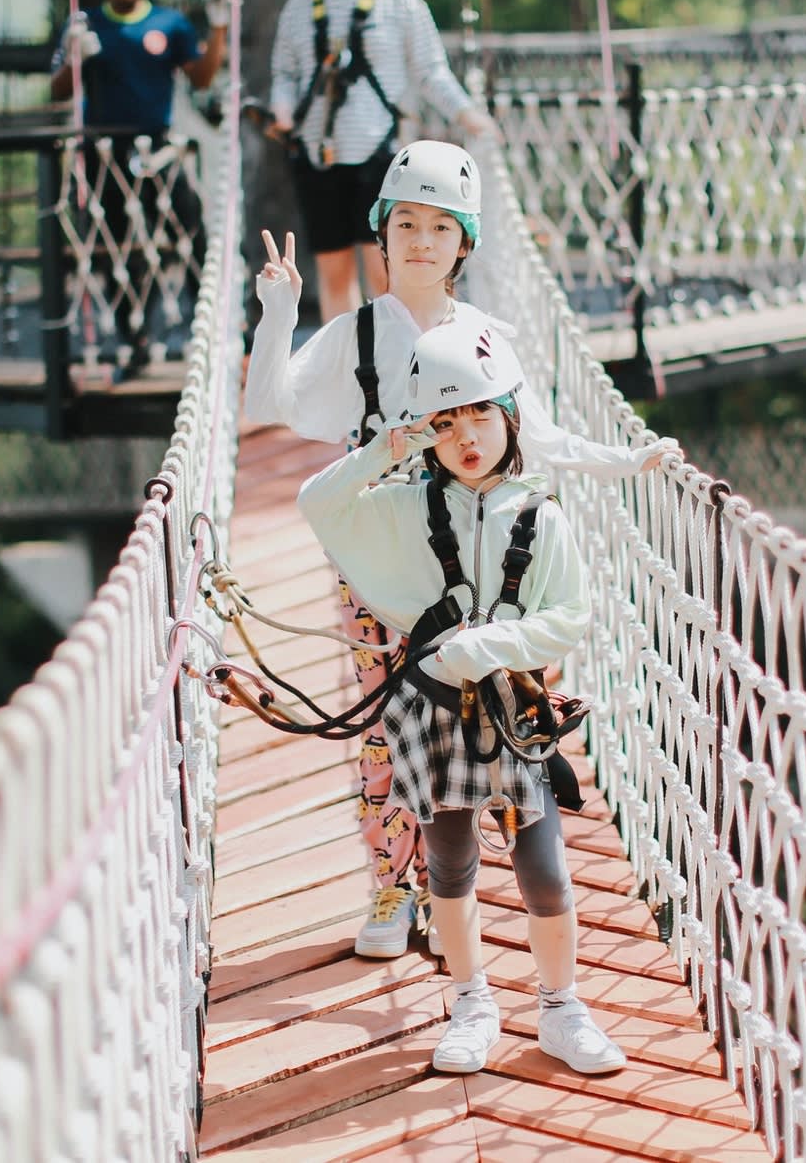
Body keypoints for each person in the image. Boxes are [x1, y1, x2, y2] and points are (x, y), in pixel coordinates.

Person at [243, 140, 674, 961]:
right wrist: (277, 311)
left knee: (479, 712)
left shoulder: (485, 335)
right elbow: (270, 403)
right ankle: (393, 888)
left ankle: (459, 898)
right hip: (383, 549)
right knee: (383, 721)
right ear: (381, 232)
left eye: (441, 226)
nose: (421, 240)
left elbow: (539, 437)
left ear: (464, 242)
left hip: (477, 554)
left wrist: (628, 460)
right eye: (405, 222)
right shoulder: (354, 335)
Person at [295, 319, 629, 1076]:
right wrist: (387, 449)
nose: (466, 436)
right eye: (445, 422)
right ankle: (472, 1002)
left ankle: (561, 1007)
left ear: (510, 416)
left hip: (511, 711)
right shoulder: (407, 507)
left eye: (481, 413)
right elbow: (318, 503)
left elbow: (569, 616)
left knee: (543, 866)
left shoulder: (540, 516)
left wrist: (492, 645)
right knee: (448, 863)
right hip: (435, 710)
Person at [267, 0, 496, 324]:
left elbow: (430, 71)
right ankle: (349, 357)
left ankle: (395, 354)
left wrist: (469, 116)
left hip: (379, 157)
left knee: (384, 270)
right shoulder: (298, 9)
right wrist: (281, 110)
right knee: (333, 273)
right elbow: (285, 74)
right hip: (318, 158)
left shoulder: (397, 0)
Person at [50, 0, 229, 369]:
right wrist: (74, 57)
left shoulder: (170, 24)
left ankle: (211, 326)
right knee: (120, 247)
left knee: (192, 233)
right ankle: (135, 338)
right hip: (104, 154)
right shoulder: (84, 24)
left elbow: (202, 77)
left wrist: (219, 28)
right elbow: (58, 91)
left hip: (158, 149)